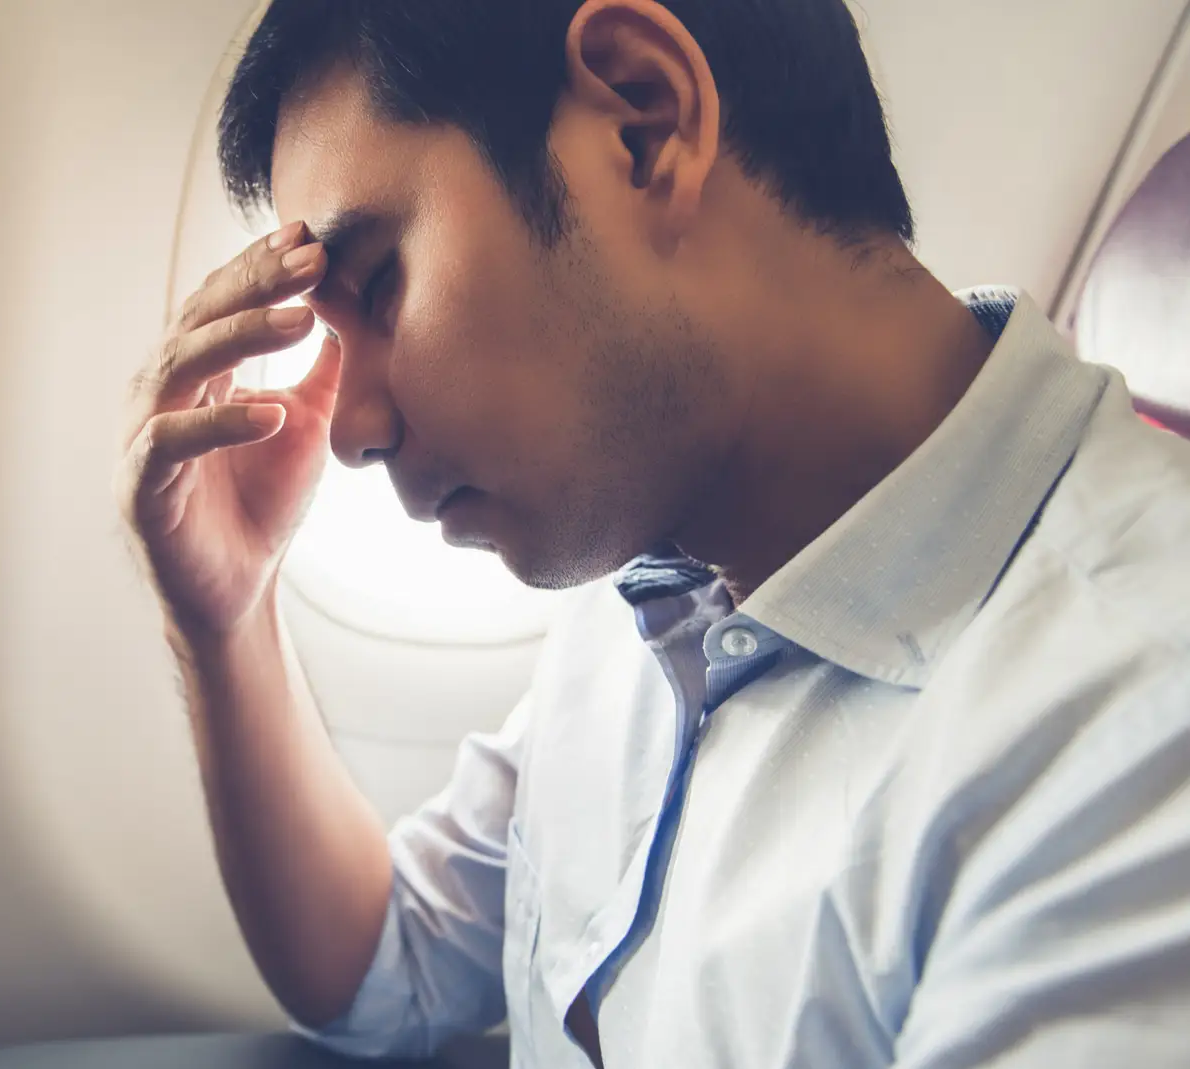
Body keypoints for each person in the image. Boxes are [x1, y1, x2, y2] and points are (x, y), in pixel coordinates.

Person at [113, 1, 1190, 1066]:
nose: (349, 428)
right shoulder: (653, 562)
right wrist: (228, 617)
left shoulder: (1132, 723)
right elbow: (391, 968)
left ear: (642, 123)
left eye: (381, 283)